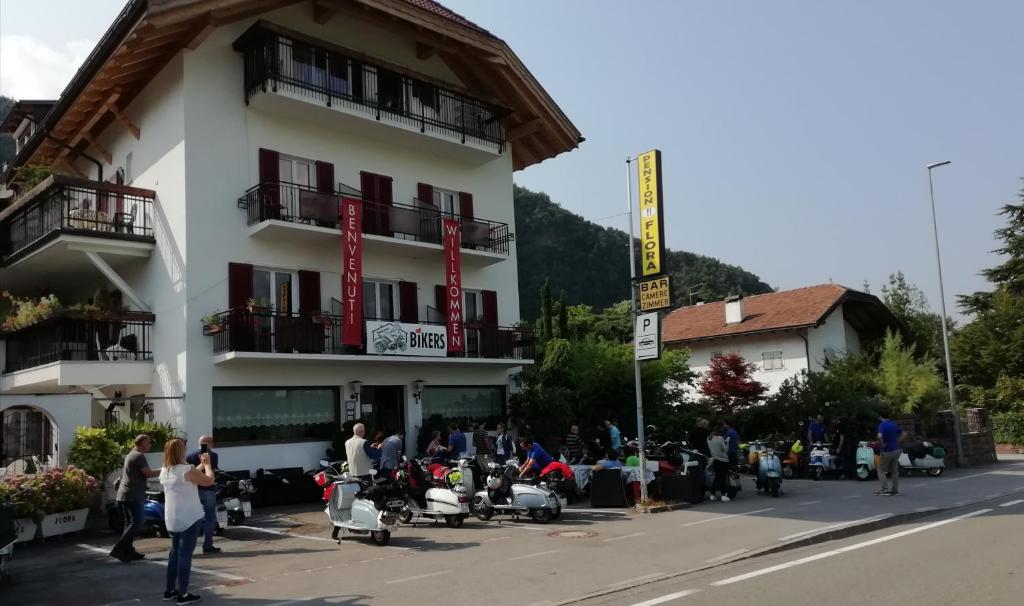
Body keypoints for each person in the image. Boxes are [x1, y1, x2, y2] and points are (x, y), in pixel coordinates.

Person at [160, 437, 215, 603]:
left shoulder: (165, 470)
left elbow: (188, 476)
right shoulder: (187, 469)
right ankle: (183, 594)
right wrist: (207, 465)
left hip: (171, 519)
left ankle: (170, 590)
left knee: (174, 554)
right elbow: (208, 480)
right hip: (189, 518)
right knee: (185, 555)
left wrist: (199, 465)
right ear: (180, 451)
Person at [110, 434, 160, 562]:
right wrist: (165, 469)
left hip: (125, 494)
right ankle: (118, 549)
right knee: (137, 522)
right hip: (133, 495)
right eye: (148, 442)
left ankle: (128, 550)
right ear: (142, 442)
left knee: (129, 523)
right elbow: (148, 474)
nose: (150, 444)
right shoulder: (139, 456)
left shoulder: (131, 454)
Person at [185, 435, 220, 555]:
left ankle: (189, 546)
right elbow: (212, 471)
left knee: (194, 517)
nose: (213, 444)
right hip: (208, 488)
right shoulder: (213, 455)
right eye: (212, 442)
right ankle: (207, 545)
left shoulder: (190, 456)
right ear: (208, 443)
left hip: (194, 489)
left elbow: (188, 473)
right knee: (210, 518)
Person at [876, 412, 903, 496]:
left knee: (881, 470)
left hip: (887, 451)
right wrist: (897, 441)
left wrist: (882, 444)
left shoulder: (882, 425)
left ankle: (884, 490)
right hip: (897, 449)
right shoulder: (894, 424)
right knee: (894, 470)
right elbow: (904, 434)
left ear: (880, 416)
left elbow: (880, 436)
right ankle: (895, 490)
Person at [707, 425, 731, 502]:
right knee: (722, 478)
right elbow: (725, 450)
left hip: (715, 459)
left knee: (717, 477)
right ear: (719, 432)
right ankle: (723, 495)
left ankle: (712, 494)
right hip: (723, 460)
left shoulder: (708, 438)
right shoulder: (720, 438)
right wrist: (727, 442)